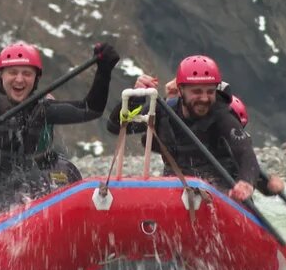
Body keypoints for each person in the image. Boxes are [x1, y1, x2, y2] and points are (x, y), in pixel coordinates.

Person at [0, 41, 119, 228]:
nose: (19, 79)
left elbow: (90, 110)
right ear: (1, 75)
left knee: (39, 187)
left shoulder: (41, 108)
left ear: (36, 78)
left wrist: (104, 72)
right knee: (18, 195)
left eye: (27, 73)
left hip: (20, 190)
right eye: (13, 72)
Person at [107, 55, 259, 201]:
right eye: (197, 91)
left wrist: (246, 183)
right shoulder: (165, 110)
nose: (204, 98)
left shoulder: (222, 116)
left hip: (220, 194)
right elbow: (115, 127)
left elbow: (246, 153)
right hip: (176, 193)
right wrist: (135, 97)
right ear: (181, 91)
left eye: (210, 91)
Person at [133, 73, 285, 196]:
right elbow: (121, 127)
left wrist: (270, 185)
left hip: (218, 198)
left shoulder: (230, 142)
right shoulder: (180, 124)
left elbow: (249, 163)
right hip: (178, 193)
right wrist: (137, 97)